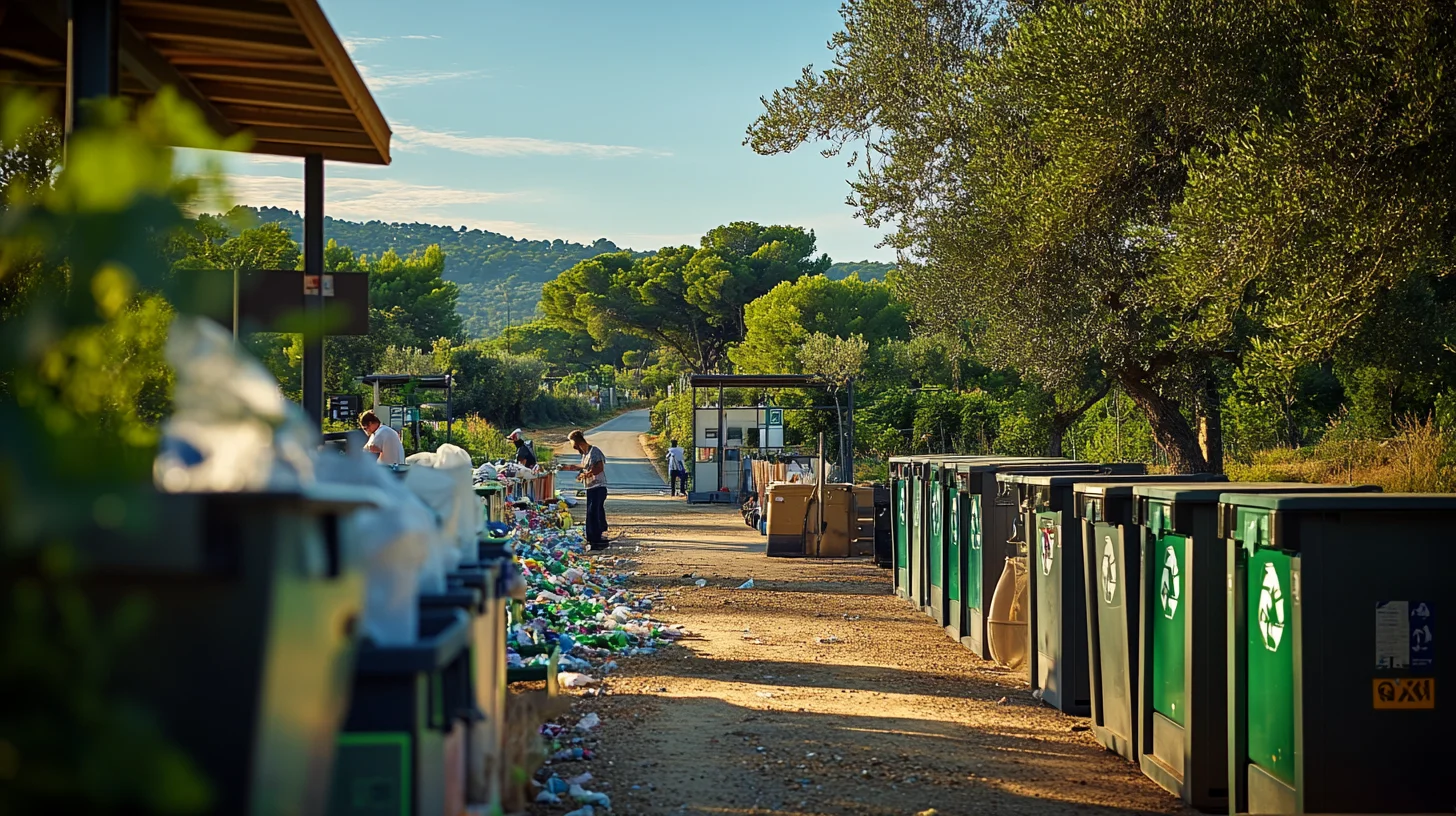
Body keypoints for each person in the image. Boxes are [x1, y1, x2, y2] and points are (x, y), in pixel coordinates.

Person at [559, 429, 608, 549]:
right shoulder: (585, 454)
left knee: (593, 513)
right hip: (591, 487)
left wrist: (587, 474)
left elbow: (599, 468)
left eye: (571, 442)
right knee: (592, 513)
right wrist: (568, 468)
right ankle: (593, 537)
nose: (571, 445)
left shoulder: (594, 451)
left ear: (576, 441)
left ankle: (596, 539)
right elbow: (583, 466)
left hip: (599, 487)